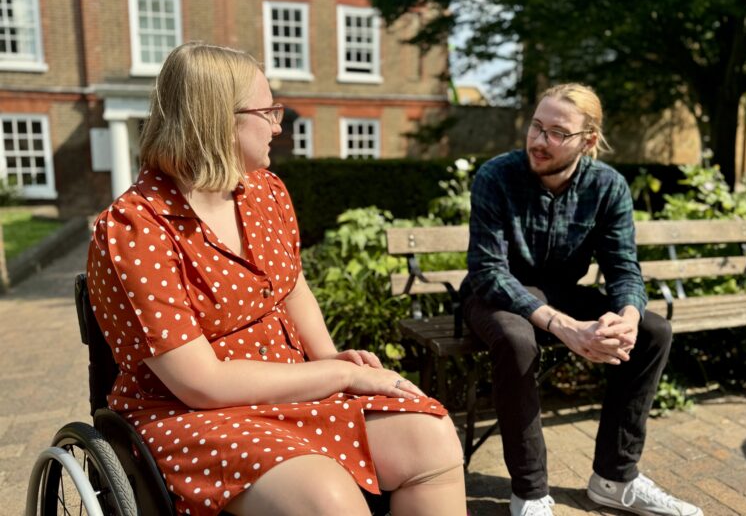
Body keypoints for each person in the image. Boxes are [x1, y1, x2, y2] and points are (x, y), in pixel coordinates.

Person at [86, 42, 466, 516]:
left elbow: (292, 285)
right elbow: (202, 384)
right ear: (218, 118)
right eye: (268, 111)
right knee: (325, 497)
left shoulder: (265, 191)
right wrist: (343, 374)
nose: (278, 125)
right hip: (188, 414)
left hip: (289, 388)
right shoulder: (137, 228)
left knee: (431, 438)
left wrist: (329, 357)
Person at [460, 83, 703, 516]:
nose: (539, 140)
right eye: (536, 126)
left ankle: (615, 478)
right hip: (495, 296)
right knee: (518, 340)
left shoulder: (608, 187)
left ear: (587, 141)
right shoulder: (495, 177)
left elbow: (624, 268)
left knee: (652, 332)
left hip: (562, 293)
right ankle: (530, 493)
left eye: (557, 132)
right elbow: (488, 271)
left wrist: (627, 317)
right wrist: (564, 326)